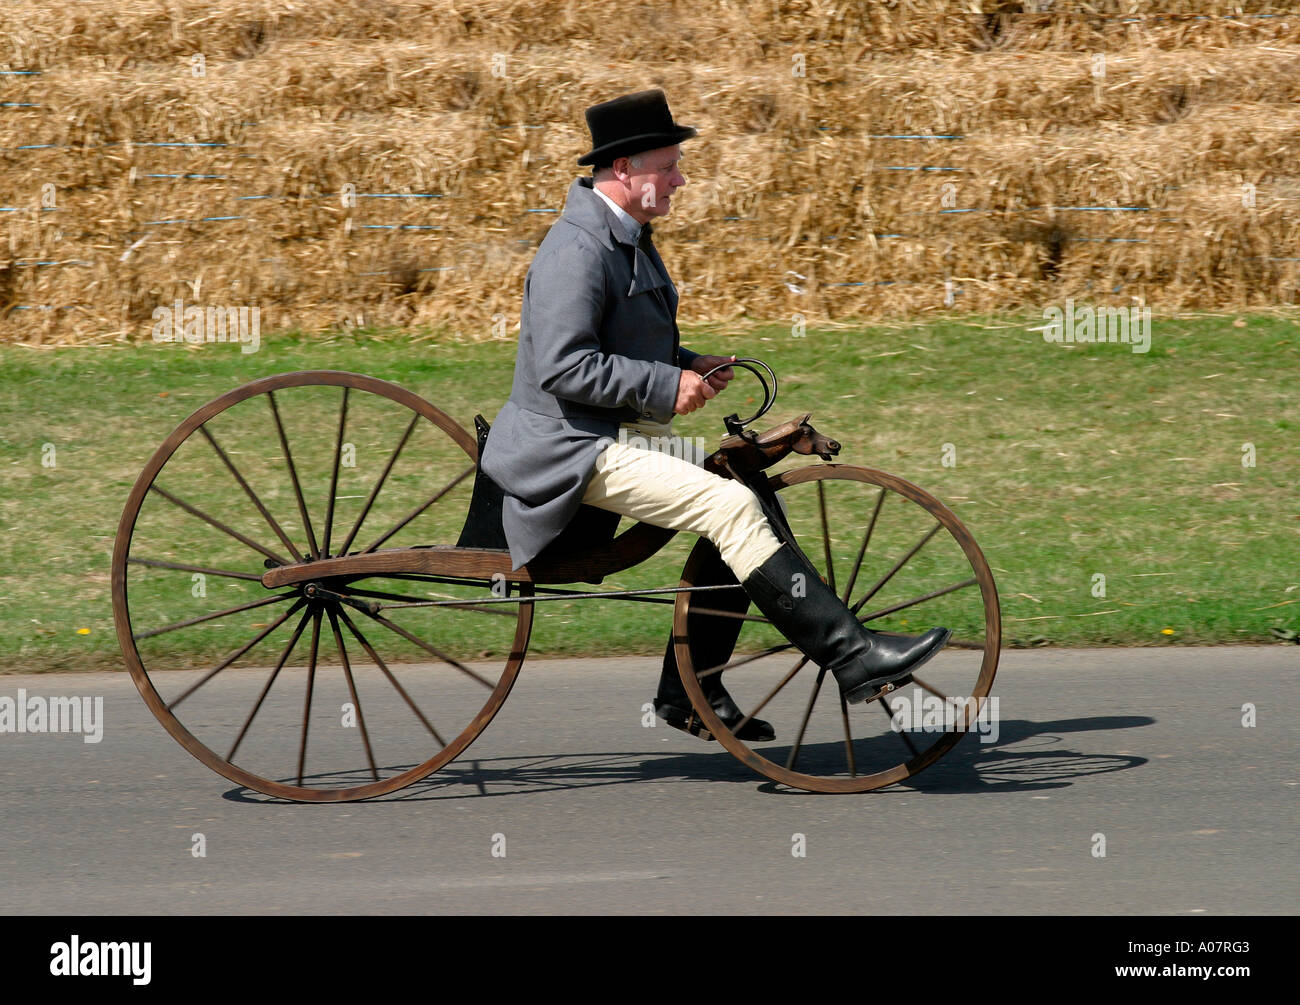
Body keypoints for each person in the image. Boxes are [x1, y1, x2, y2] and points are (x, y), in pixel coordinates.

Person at [480, 89, 950, 742]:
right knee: (728, 509)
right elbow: (564, 367)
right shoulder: (578, 250)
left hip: (609, 439)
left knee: (738, 483)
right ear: (625, 170)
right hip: (567, 453)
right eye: (668, 166)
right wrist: (664, 384)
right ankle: (851, 655)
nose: (679, 178)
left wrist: (690, 364)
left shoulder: (625, 237)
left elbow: (626, 342)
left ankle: (688, 691)